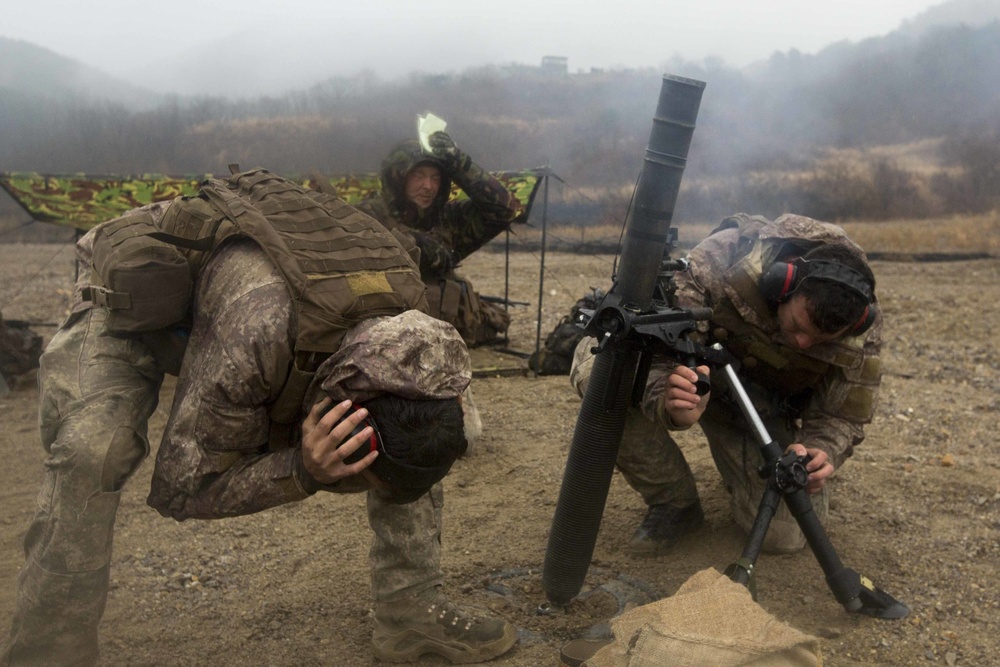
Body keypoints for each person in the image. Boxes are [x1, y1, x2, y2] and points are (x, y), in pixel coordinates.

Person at [1, 170, 517, 666]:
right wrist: (303, 470)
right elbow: (184, 485)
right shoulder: (257, 334)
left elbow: (419, 430)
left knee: (415, 442)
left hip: (270, 306)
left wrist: (381, 463)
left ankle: (410, 615)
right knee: (95, 449)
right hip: (139, 288)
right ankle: (49, 650)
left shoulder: (421, 343)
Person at [570, 212, 882, 556]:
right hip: (689, 372)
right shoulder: (719, 260)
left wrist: (820, 449)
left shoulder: (861, 322)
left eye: (820, 340)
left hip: (755, 407)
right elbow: (652, 348)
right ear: (781, 284)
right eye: (796, 327)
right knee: (601, 369)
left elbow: (843, 413)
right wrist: (667, 398)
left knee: (782, 537)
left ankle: (741, 470)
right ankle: (674, 503)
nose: (804, 344)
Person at [358, 130, 524, 348]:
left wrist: (459, 163)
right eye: (419, 175)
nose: (428, 186)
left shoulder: (448, 219)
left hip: (445, 338)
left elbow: (504, 209)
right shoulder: (367, 216)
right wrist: (412, 243)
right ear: (399, 176)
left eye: (436, 178)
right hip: (384, 340)